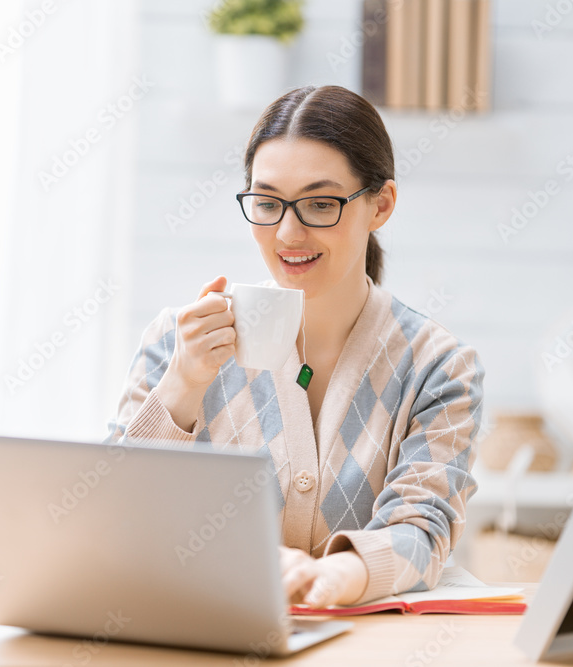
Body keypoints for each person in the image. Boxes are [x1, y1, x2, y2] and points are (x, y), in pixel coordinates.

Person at [105, 85, 484, 610]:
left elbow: (422, 532)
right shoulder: (177, 340)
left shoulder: (438, 366)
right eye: (267, 202)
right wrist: (182, 386)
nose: (288, 232)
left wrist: (337, 576)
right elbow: (112, 518)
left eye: (320, 203)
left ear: (381, 205)